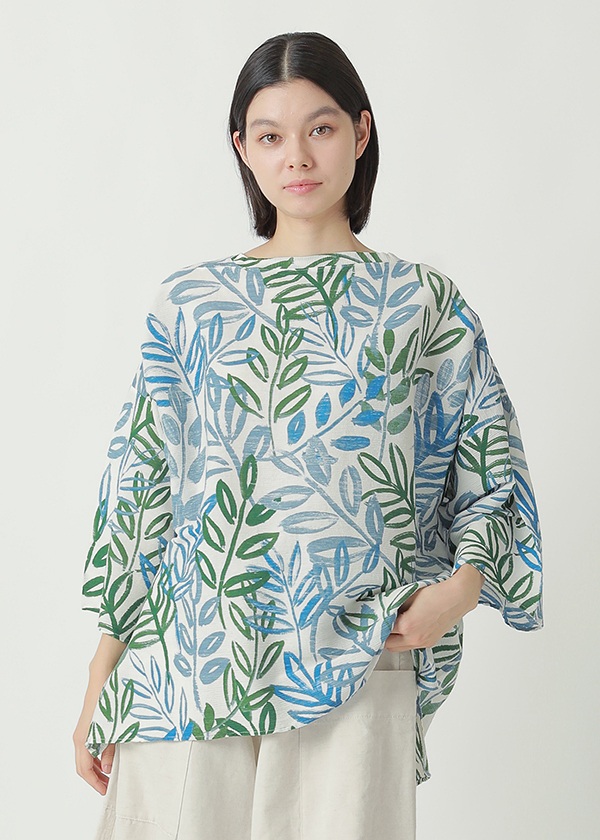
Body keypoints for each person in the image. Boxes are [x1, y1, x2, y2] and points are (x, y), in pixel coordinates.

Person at [73, 31, 543, 840]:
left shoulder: (422, 304)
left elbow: (490, 471)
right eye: (269, 135)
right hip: (192, 664)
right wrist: (100, 674)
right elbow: (142, 485)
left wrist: (458, 592)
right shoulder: (191, 305)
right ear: (242, 149)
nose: (297, 156)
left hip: (359, 657)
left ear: (360, 133)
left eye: (320, 128)